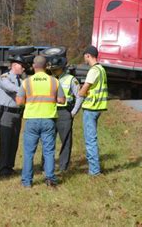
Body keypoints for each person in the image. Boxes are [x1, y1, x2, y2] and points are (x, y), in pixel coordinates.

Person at [16, 55, 65, 188]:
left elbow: (19, 101)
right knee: (49, 151)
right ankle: (50, 179)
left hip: (32, 119)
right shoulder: (54, 81)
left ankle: (27, 181)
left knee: (29, 152)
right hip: (48, 119)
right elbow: (62, 100)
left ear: (33, 66)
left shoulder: (26, 82)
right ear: (46, 66)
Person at [44, 56, 83, 172]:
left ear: (62, 68)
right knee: (47, 140)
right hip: (50, 112)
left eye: (56, 69)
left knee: (65, 141)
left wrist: (73, 112)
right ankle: (45, 166)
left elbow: (80, 96)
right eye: (52, 69)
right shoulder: (49, 79)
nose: (53, 71)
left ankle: (63, 167)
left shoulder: (71, 79)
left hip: (64, 113)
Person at [78, 45, 108, 177]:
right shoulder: (101, 69)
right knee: (92, 138)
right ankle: (94, 168)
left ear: (88, 55)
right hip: (99, 107)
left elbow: (84, 89)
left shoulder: (93, 70)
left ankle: (94, 171)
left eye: (85, 56)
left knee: (90, 140)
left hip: (91, 107)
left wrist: (80, 92)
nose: (84, 58)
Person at [0, 55, 25, 177]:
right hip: (6, 113)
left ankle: (9, 166)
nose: (23, 68)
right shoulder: (4, 78)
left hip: (17, 114)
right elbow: (11, 88)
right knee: (5, 141)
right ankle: (3, 169)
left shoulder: (21, 80)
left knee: (14, 142)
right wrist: (25, 90)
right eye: (21, 65)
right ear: (14, 65)